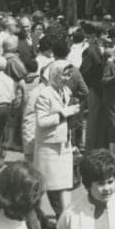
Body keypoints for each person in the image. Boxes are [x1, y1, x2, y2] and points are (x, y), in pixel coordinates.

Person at [33, 62, 80, 217]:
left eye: (68, 75)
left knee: (65, 184)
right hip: (49, 146)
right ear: (54, 74)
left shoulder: (66, 91)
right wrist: (63, 114)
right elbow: (41, 121)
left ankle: (66, 215)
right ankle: (52, 215)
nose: (66, 78)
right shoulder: (45, 94)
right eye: (63, 74)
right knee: (50, 185)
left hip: (65, 144)